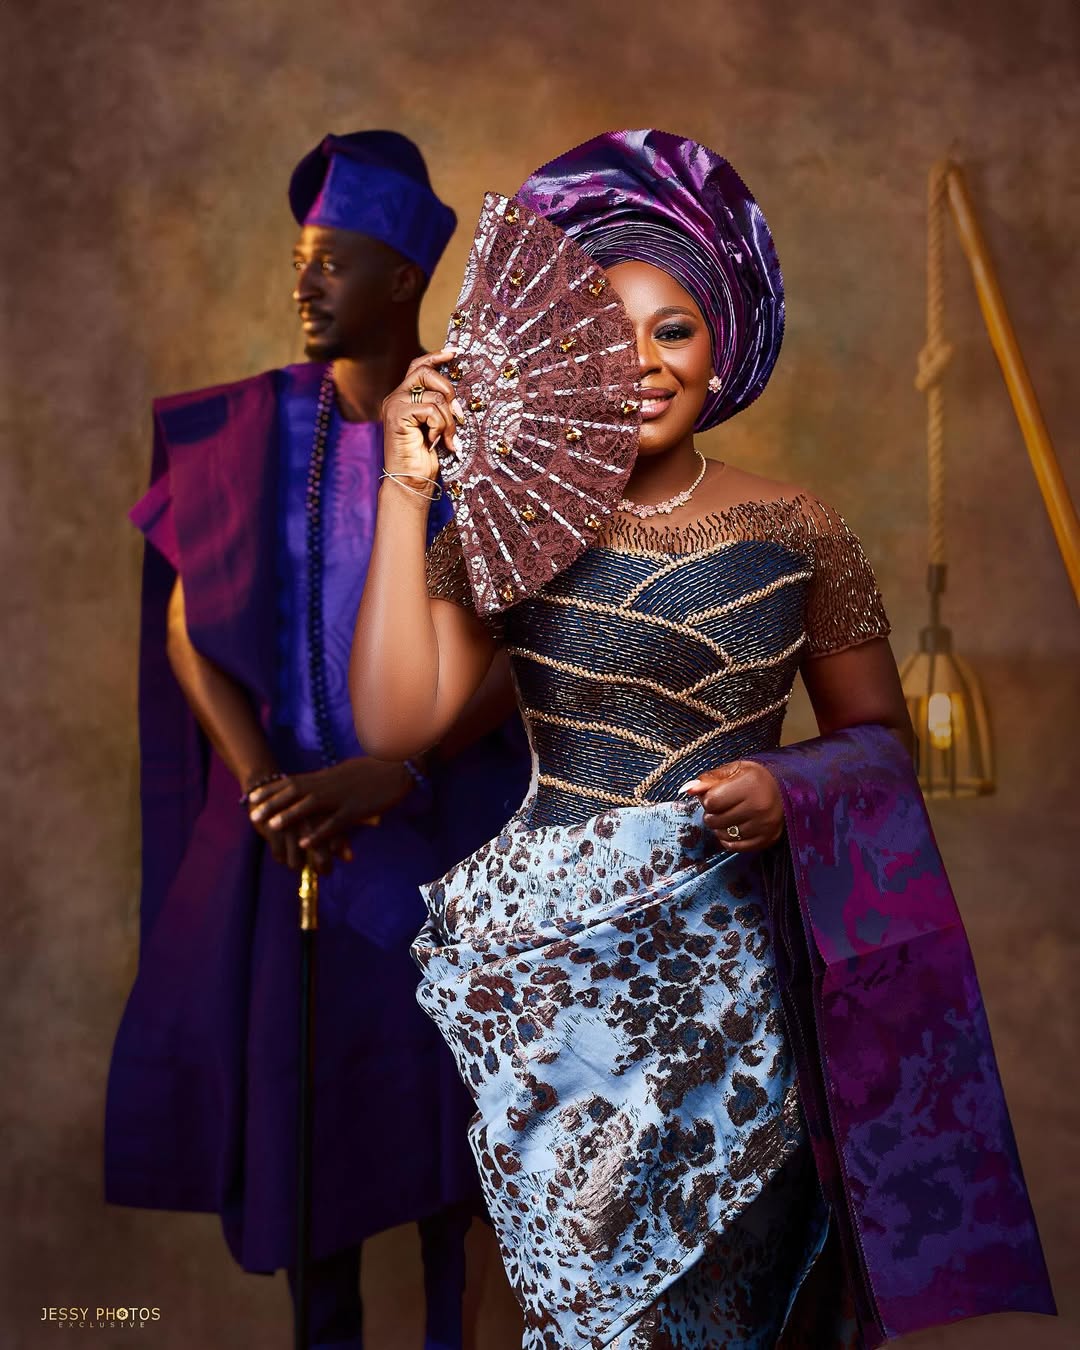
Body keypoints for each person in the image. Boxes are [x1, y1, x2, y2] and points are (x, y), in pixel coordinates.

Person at [348, 129, 1055, 1348]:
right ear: (556, 356)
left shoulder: (800, 526)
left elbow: (882, 741)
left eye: (672, 329)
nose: (640, 363)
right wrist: (409, 490)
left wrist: (791, 786)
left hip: (739, 974)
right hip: (555, 976)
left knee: (739, 1298)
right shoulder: (515, 516)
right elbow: (394, 721)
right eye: (604, 337)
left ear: (722, 341)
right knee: (583, 1305)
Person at [105, 130, 529, 1350]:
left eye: (333, 262)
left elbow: (528, 642)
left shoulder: (480, 430)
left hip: (449, 836)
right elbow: (189, 626)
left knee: (463, 1139)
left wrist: (396, 769)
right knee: (306, 1141)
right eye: (301, 261)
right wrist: (265, 790)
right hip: (301, 849)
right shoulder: (252, 430)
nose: (307, 284)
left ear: (404, 278)